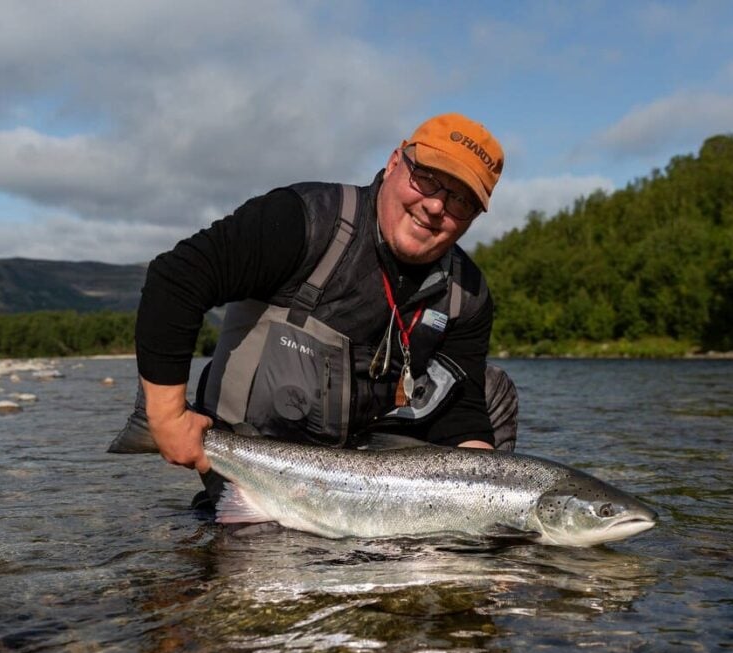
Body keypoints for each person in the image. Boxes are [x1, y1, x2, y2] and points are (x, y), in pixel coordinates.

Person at [133, 112, 518, 505]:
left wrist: (480, 508)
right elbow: (176, 279)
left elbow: (463, 413)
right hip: (261, 465)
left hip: (372, 474)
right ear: (394, 162)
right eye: (428, 179)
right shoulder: (306, 219)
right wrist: (167, 418)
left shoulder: (466, 293)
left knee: (491, 388)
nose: (436, 206)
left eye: (460, 200)